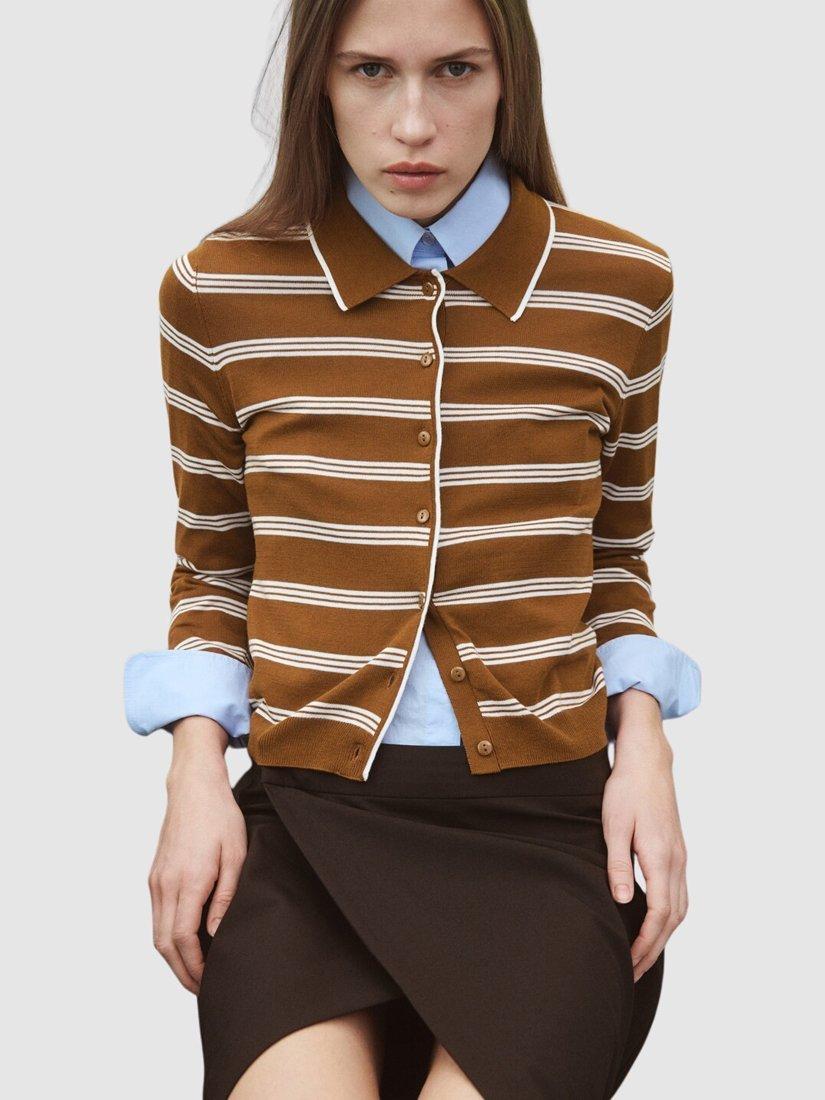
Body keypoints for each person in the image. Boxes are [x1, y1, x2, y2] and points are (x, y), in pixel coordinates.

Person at [123, 1, 701, 1096]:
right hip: (307, 821)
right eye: (371, 72)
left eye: (456, 71)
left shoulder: (618, 287)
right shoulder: (219, 289)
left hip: (546, 829)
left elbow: (613, 558)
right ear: (318, 81)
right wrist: (193, 771)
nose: (414, 122)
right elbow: (214, 566)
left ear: (508, 77)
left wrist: (647, 752)